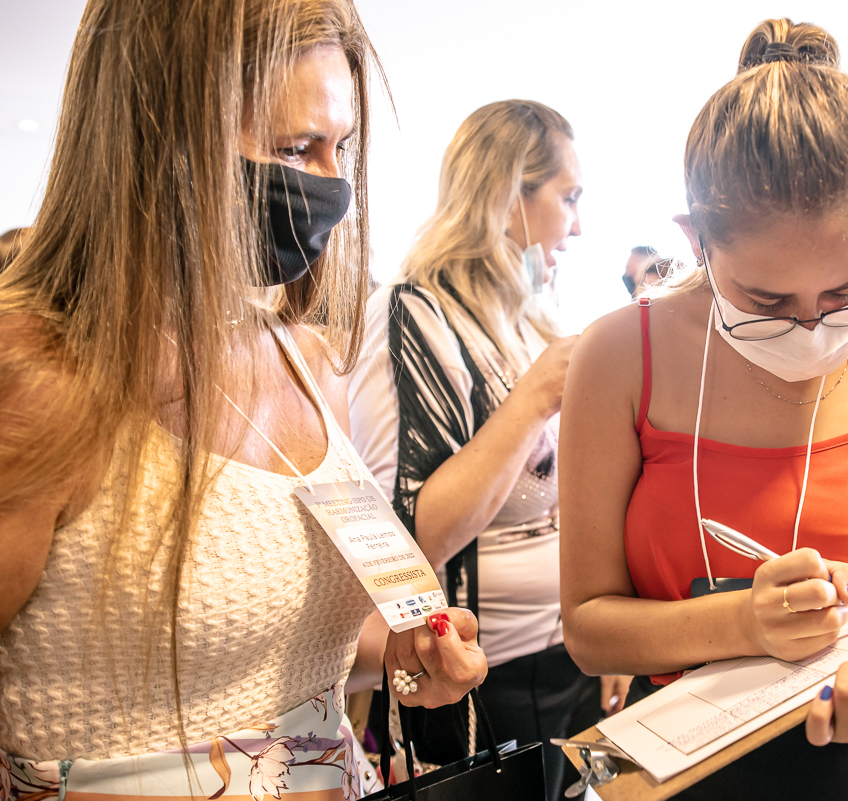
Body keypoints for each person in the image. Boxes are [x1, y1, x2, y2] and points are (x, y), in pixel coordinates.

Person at [0, 1, 486, 798]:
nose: (330, 185)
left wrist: (401, 654)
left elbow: (265, 638)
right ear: (162, 140)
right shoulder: (37, 378)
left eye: (342, 149)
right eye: (296, 149)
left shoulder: (301, 356)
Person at [559, 18, 848, 799]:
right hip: (679, 767)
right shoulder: (617, 357)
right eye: (766, 301)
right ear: (695, 239)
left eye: (845, 292)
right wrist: (743, 623)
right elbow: (590, 628)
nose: (810, 329)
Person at [347, 99, 627, 800]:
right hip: (483, 677)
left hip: (566, 657)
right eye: (568, 197)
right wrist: (533, 398)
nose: (579, 224)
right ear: (508, 196)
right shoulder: (415, 313)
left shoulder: (529, 318)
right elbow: (408, 535)